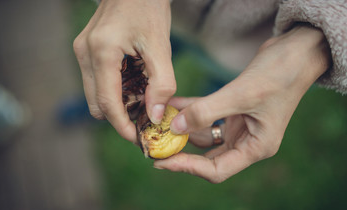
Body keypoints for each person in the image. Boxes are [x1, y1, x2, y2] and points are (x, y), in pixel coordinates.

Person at [73, 0, 347, 183]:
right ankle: (99, 111)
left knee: (222, 100)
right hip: (163, 15)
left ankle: (216, 127)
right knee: (119, 83)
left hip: (254, 51)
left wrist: (315, 44)